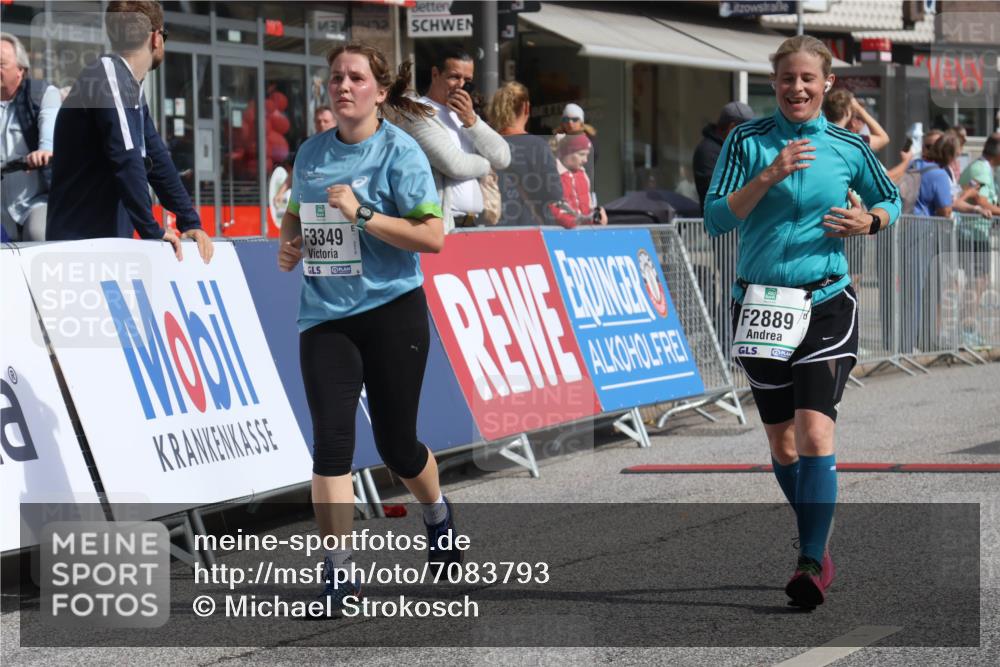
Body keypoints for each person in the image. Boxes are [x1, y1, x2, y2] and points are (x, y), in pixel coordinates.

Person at [704, 35, 901, 609]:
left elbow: (888, 199)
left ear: (827, 84)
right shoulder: (747, 141)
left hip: (825, 302)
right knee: (781, 441)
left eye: (809, 79)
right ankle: (816, 532)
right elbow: (717, 218)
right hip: (761, 307)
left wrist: (869, 222)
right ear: (775, 83)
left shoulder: (846, 144)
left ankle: (811, 561)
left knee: (816, 431)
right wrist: (768, 175)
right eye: (788, 78)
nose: (798, 88)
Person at [277, 42, 459, 614]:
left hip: (391, 310)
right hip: (326, 316)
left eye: (356, 78)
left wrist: (362, 213)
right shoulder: (310, 153)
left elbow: (432, 237)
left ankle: (436, 514)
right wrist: (290, 240)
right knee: (332, 445)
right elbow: (296, 212)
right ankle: (337, 577)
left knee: (397, 445)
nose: (343, 86)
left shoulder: (399, 153)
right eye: (335, 78)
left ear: (380, 91)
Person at [46, 1, 212, 263]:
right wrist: (152, 230)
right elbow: (127, 158)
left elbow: (157, 160)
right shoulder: (107, 75)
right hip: (80, 248)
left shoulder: (127, 86)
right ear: (156, 38)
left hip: (104, 245)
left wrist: (189, 220)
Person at [385, 49, 510, 232]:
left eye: (467, 80)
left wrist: (472, 122)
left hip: (473, 222)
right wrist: (486, 166)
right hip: (443, 225)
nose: (460, 85)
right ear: (435, 74)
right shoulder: (418, 112)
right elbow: (455, 165)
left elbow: (503, 157)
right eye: (454, 77)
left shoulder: (465, 114)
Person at [1, 32, 60, 242]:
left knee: (38, 233)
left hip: (34, 202)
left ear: (20, 70)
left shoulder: (42, 94)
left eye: (1, 63)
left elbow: (50, 128)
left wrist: (44, 150)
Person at [487, 81, 564, 226]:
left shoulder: (485, 145)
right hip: (530, 230)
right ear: (526, 107)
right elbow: (555, 194)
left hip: (491, 229)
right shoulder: (538, 146)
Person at [693, 101, 754, 209]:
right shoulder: (709, 151)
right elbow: (721, 191)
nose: (751, 137)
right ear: (732, 128)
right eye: (748, 131)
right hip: (721, 221)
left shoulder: (732, 148)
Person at [554, 133, 607, 228]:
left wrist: (597, 213)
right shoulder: (552, 175)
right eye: (581, 154)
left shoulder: (583, 175)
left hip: (585, 232)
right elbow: (553, 211)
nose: (585, 160)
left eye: (587, 155)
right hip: (562, 235)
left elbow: (588, 206)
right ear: (567, 153)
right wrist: (576, 224)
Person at [822, 89, 889, 152]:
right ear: (847, 112)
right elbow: (884, 138)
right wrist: (859, 109)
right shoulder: (854, 141)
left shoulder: (818, 136)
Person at [554, 102, 598, 187]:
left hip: (584, 184)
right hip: (562, 184)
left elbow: (590, 160)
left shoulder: (590, 139)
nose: (570, 123)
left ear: (581, 122)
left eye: (574, 119)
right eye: (566, 119)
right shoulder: (556, 139)